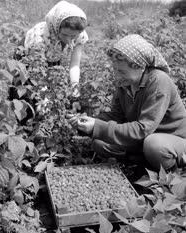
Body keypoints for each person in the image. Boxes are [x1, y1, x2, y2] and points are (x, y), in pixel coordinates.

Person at [68, 34, 186, 171]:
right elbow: (117, 116)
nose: (117, 76)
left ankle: (172, 174)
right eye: (115, 70)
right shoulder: (125, 83)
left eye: (122, 71)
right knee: (100, 142)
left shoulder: (158, 81)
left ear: (139, 66)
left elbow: (143, 129)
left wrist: (97, 127)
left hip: (173, 140)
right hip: (143, 138)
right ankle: (141, 164)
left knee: (154, 145)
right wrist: (88, 121)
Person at [24, 0, 88, 97]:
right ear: (56, 28)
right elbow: (36, 70)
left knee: (54, 86)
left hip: (52, 58)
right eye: (65, 34)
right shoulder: (39, 37)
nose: (68, 40)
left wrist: (75, 86)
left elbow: (75, 64)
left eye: (73, 36)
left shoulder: (79, 35)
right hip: (31, 61)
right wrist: (44, 95)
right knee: (28, 93)